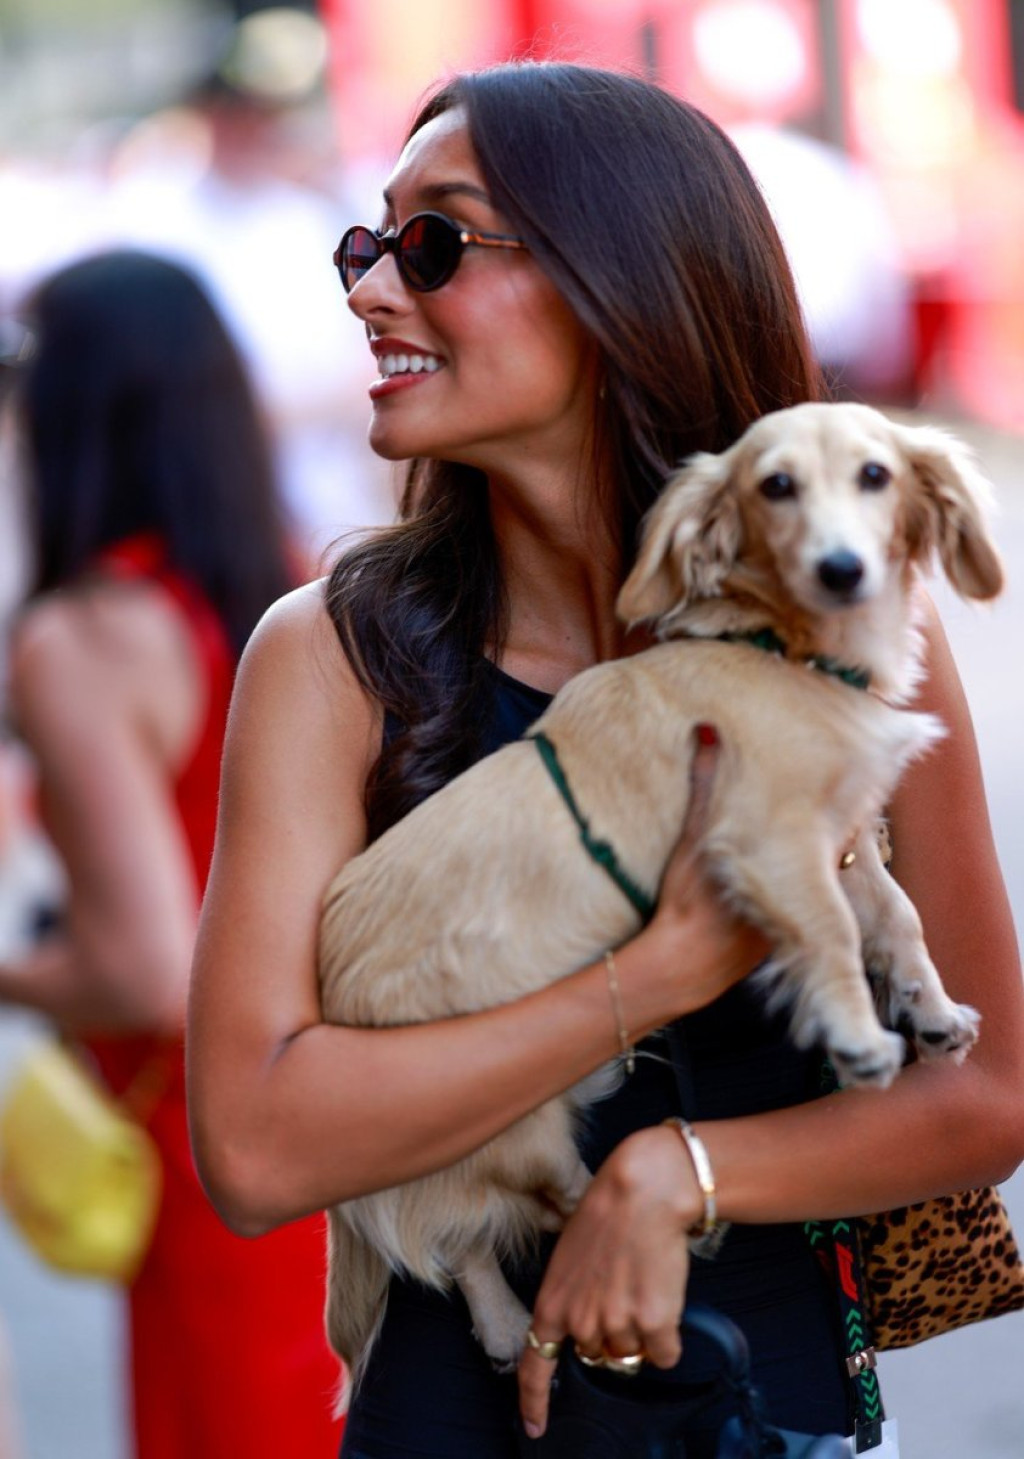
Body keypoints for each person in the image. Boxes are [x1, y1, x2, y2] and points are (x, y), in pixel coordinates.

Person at [186, 62, 1024, 1458]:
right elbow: (257, 1145)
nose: (372, 290)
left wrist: (673, 1173)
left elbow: (986, 1094)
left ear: (611, 279)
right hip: (452, 1415)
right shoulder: (333, 655)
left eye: (433, 243)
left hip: (774, 1413)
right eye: (368, 245)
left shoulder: (858, 626)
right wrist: (657, 973)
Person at [0, 250, 344, 1458]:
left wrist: (11, 974)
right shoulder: (301, 586)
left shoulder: (87, 636)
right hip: (355, 1116)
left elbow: (150, 969)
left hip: (216, 1151)